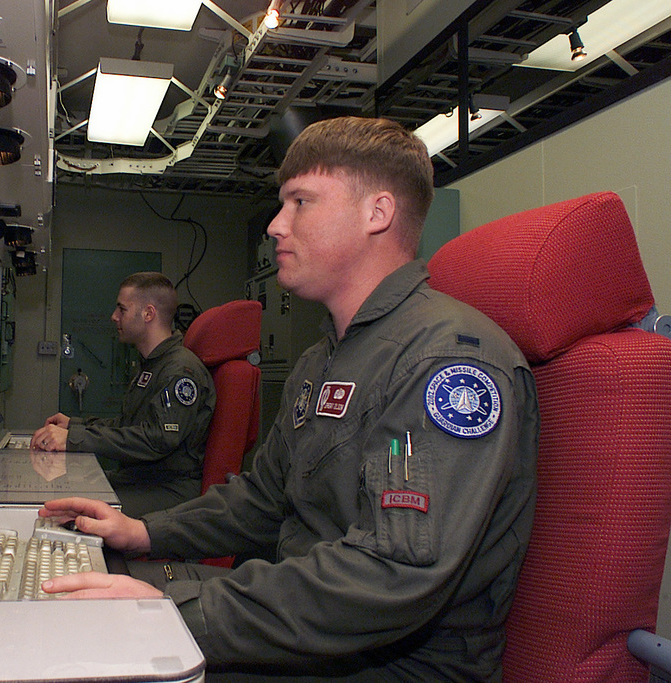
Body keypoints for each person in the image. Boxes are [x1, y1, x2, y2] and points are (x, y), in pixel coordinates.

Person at [36, 117, 539, 682]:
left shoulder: (442, 364)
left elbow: (392, 574)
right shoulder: (324, 360)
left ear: (377, 213)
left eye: (300, 202)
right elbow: (263, 497)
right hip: (316, 618)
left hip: (397, 661)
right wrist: (145, 532)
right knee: (66, 604)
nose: (276, 225)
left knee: (93, 657)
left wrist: (177, 613)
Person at [31, 272, 216, 518]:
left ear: (148, 314)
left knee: (70, 513)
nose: (114, 317)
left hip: (169, 489)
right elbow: (128, 426)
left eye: (122, 309)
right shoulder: (152, 365)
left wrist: (74, 439)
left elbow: (157, 439)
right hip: (141, 478)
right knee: (60, 491)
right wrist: (75, 425)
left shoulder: (180, 371)